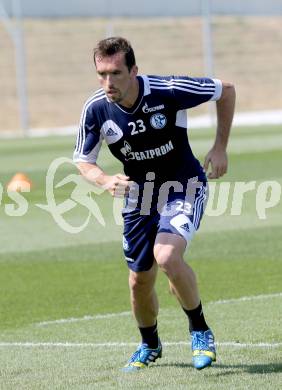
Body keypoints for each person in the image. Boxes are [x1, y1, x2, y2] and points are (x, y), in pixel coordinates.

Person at [73, 36, 235, 372]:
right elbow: (83, 161)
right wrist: (104, 180)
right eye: (101, 74)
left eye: (116, 73)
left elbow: (226, 89)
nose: (108, 82)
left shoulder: (167, 90)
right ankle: (149, 344)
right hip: (139, 198)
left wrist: (220, 147)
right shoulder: (96, 108)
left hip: (183, 187)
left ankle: (200, 330)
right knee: (139, 280)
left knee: (167, 256)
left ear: (133, 70)